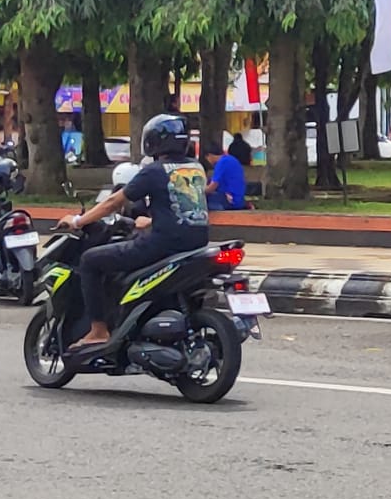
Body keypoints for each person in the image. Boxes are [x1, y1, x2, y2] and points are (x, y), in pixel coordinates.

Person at [65, 114, 210, 351]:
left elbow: (113, 202)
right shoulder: (197, 168)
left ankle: (98, 331)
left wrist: (78, 221)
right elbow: (184, 206)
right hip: (196, 243)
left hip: (162, 245)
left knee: (90, 260)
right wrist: (152, 221)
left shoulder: (153, 171)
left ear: (153, 141)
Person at [206, 136, 252, 211]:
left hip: (232, 200)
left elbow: (212, 186)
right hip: (239, 198)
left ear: (209, 156)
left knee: (206, 199)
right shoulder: (231, 159)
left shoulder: (221, 163)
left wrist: (200, 192)